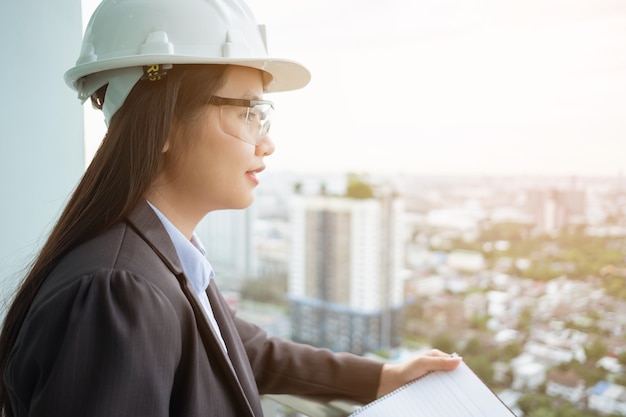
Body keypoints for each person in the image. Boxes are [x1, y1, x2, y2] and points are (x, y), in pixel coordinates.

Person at [0, 0, 462, 416]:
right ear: (160, 123)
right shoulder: (119, 291)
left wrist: (381, 379)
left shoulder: (164, 258)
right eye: (247, 113)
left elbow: (239, 350)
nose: (267, 142)